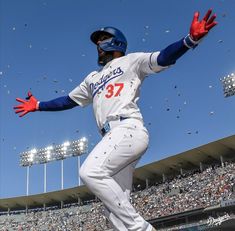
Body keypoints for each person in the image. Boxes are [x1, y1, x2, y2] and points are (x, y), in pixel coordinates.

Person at [14, 9, 217, 231]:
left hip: (128, 128)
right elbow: (68, 101)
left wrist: (189, 40)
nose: (98, 45)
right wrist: (39, 105)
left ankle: (144, 229)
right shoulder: (93, 78)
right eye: (97, 42)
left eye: (102, 40)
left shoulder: (131, 61)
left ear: (116, 42)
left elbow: (162, 57)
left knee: (90, 172)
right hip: (112, 137)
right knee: (114, 215)